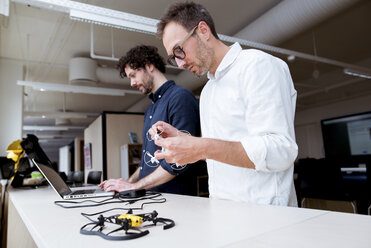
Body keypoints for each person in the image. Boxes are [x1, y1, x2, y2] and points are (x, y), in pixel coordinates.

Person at [151, 2, 298, 206]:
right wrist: (185, 142)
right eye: (173, 57)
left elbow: (280, 151)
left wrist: (201, 147)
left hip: (267, 216)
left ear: (203, 31)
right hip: (223, 212)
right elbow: (222, 152)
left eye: (179, 50)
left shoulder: (258, 66)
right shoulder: (208, 91)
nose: (180, 63)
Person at [99, 45, 200, 195]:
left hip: (175, 200)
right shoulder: (150, 110)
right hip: (151, 196)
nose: (132, 83)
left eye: (133, 75)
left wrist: (135, 186)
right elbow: (145, 163)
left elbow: (179, 161)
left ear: (149, 66)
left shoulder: (180, 97)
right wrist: (127, 183)